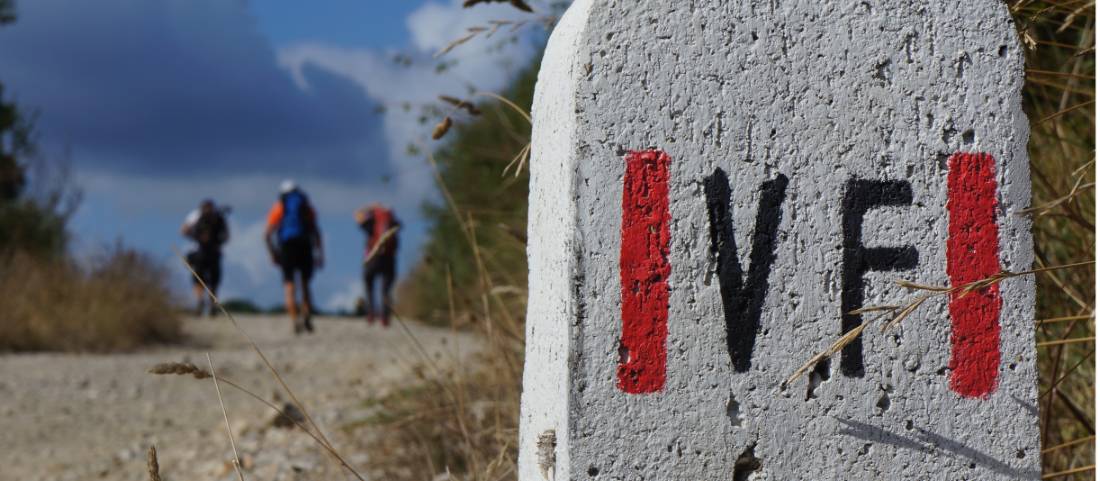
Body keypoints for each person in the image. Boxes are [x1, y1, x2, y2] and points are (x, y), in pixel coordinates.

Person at [265, 180, 323, 334]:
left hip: (286, 247)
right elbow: (316, 231)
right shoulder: (306, 207)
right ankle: (307, 316)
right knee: (305, 285)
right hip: (305, 246)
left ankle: (294, 320)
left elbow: (267, 234)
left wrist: (272, 253)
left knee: (289, 286)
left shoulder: (279, 207)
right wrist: (320, 254)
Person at [180, 199, 230, 316]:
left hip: (199, 251)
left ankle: (200, 301)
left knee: (198, 278)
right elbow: (226, 236)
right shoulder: (218, 217)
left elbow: (183, 231)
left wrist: (194, 237)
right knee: (214, 280)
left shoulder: (195, 216)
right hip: (215, 252)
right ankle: (212, 304)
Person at [355, 202, 400, 326]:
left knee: (369, 284)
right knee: (386, 289)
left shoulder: (371, 220)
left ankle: (370, 313)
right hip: (389, 258)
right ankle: (385, 317)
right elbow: (399, 228)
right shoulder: (392, 220)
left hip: (373, 257)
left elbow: (357, 217)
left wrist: (369, 207)